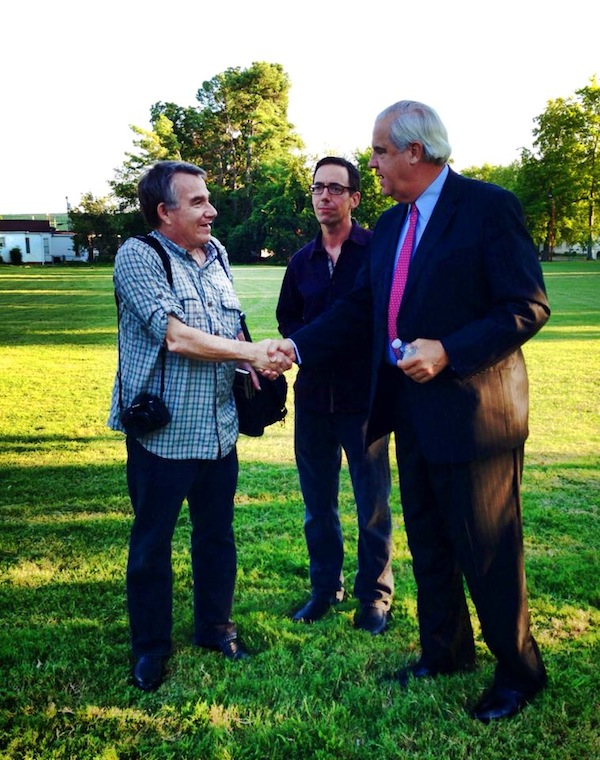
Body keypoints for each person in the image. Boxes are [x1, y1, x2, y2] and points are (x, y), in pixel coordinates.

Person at [271, 101, 550, 722]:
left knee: (489, 550)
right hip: (410, 415)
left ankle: (520, 672)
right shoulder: (394, 226)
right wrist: (297, 346)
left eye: (378, 152)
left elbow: (526, 305)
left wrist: (449, 350)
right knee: (428, 542)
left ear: (414, 153)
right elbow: (360, 308)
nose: (371, 164)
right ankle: (445, 652)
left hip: (476, 418)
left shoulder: (487, 207)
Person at [108, 160, 290, 692]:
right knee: (152, 544)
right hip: (163, 434)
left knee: (217, 537)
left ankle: (216, 628)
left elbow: (226, 327)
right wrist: (249, 349)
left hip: (218, 429)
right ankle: (151, 648)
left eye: (208, 199)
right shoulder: (138, 257)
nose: (211, 210)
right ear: (164, 212)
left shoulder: (219, 257)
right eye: (197, 203)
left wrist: (256, 361)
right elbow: (177, 337)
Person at [276, 157, 392, 635]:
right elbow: (288, 319)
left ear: (355, 197)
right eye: (318, 188)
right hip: (313, 398)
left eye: (336, 188)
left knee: (372, 502)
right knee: (317, 503)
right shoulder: (301, 261)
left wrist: (319, 342)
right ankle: (325, 589)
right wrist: (309, 346)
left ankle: (374, 597)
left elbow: (374, 317)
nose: (325, 196)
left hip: (363, 398)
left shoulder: (377, 251)